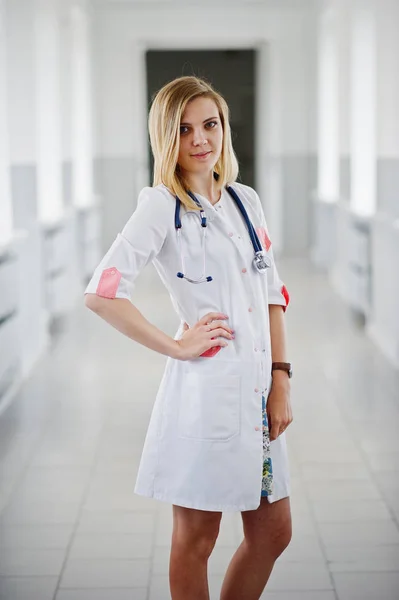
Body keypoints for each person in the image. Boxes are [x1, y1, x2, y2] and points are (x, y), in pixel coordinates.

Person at [84, 75, 293, 600]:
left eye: (210, 124)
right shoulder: (161, 205)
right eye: (183, 129)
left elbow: (273, 292)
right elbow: (103, 292)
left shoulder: (246, 201)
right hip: (207, 396)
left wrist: (281, 380)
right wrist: (177, 346)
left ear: (223, 128)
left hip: (258, 394)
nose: (200, 139)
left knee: (273, 532)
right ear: (165, 139)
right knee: (197, 538)